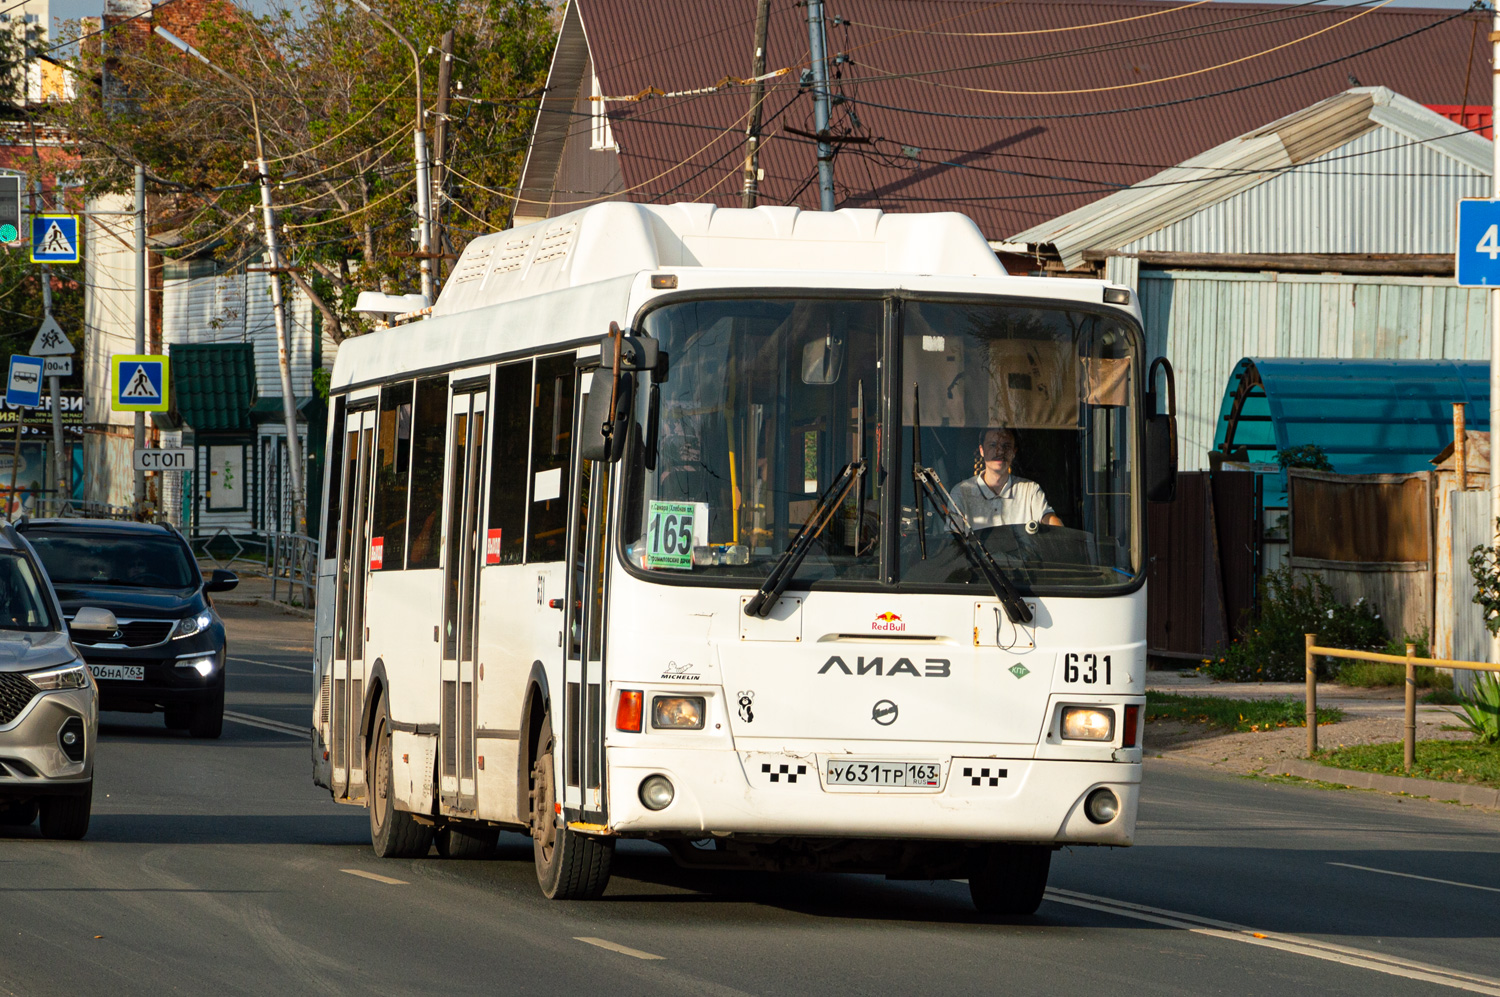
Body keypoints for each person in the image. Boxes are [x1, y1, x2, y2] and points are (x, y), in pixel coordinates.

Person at [951, 427, 1063, 529]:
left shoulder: (1030, 490)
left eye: (1006, 446)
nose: (1000, 451)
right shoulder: (961, 492)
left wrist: (1060, 532)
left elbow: (1050, 520)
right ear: (981, 450)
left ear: (1014, 452)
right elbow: (952, 540)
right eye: (993, 445)